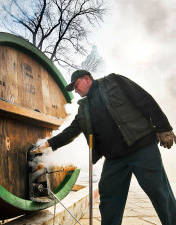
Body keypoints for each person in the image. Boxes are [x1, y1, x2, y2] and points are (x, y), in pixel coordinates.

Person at [31, 70, 176, 225]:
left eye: (76, 85)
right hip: (114, 159)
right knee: (109, 197)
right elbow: (71, 131)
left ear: (86, 78)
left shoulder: (114, 81)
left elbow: (144, 99)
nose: (76, 90)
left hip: (141, 147)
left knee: (159, 192)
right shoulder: (84, 108)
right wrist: (47, 145)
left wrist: (163, 127)